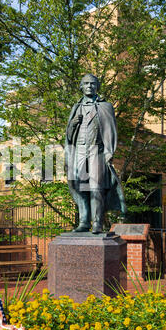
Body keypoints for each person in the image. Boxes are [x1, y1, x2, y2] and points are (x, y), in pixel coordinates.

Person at [65, 73, 126, 233]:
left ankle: (97, 223)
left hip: (96, 150)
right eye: (86, 83)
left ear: (97, 86)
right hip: (79, 150)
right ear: (81, 87)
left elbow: (110, 131)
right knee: (80, 186)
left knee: (95, 187)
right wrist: (72, 125)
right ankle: (84, 222)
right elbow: (69, 136)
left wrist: (108, 151)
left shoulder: (105, 106)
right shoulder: (76, 108)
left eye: (92, 83)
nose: (89, 86)